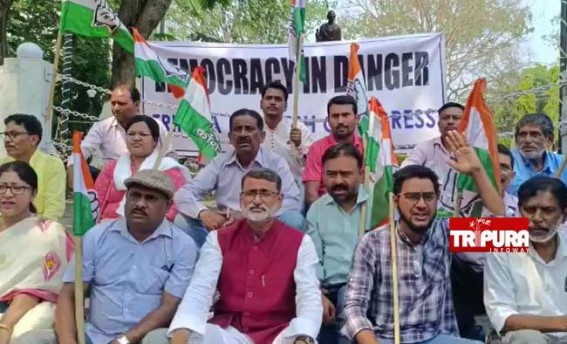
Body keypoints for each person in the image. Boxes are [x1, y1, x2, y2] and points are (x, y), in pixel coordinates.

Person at [342, 131, 504, 344]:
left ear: (438, 200)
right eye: (411, 197)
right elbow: (353, 307)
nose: (421, 205)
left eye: (428, 197)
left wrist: (477, 171)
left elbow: (504, 231)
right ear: (395, 200)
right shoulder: (372, 242)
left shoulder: (445, 231)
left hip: (438, 337)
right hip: (388, 338)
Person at [19, 169, 198, 344]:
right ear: (126, 198)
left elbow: (169, 306)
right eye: (135, 196)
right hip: (92, 336)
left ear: (167, 206)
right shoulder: (97, 236)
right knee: (32, 340)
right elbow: (70, 293)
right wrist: (68, 340)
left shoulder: (182, 246)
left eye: (151, 198)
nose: (140, 204)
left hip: (144, 337)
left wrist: (127, 339)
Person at [168, 168, 322, 344]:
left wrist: (303, 337)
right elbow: (200, 289)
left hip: (280, 332)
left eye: (265, 193)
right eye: (250, 193)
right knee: (192, 339)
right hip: (232, 332)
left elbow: (309, 295)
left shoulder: (301, 242)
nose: (257, 200)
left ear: (279, 201)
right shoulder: (218, 239)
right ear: (241, 200)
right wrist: (182, 333)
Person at [174, 109, 304, 247]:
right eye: (238, 129)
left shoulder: (276, 162)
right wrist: (203, 212)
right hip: (227, 226)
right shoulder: (220, 162)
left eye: (249, 129)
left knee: (293, 219)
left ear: (262, 136)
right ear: (230, 137)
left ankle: (282, 262)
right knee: (182, 220)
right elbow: (183, 193)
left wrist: (248, 215)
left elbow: (293, 201)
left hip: (264, 222)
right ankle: (200, 261)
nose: (243, 134)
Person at [450, 142, 520, 341]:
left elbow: (512, 240)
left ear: (513, 176)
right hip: (467, 281)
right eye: (490, 166)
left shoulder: (523, 207)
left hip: (507, 280)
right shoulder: (457, 204)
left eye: (504, 167)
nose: (496, 171)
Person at [484, 176, 567, 344]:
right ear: (519, 210)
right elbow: (503, 317)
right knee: (529, 339)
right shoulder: (502, 245)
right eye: (529, 210)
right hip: (523, 337)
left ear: (563, 215)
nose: (537, 218)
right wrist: (561, 323)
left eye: (547, 210)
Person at [0, 161, 71, 343]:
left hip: (24, 312)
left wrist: (5, 326)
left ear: (33, 193)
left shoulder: (47, 233)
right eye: (2, 187)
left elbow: (34, 288)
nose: (7, 194)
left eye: (17, 188)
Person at [305, 143, 366, 344]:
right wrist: (316, 292)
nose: (338, 181)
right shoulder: (317, 209)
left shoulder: (378, 205)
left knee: (347, 298)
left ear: (360, 174)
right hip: (327, 288)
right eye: (331, 174)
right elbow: (312, 259)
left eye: (346, 174)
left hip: (366, 287)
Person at [66, 84, 173, 185]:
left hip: (147, 182)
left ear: (136, 104)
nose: (116, 108)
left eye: (122, 103)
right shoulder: (102, 126)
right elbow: (83, 150)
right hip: (110, 181)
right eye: (113, 103)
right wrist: (72, 168)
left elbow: (170, 156)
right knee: (82, 169)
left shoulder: (156, 126)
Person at [94, 115, 191, 223]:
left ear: (154, 141)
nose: (136, 138)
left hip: (151, 229)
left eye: (143, 134)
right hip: (108, 226)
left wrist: (158, 224)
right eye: (131, 134)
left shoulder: (167, 168)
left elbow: (178, 203)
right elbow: (97, 200)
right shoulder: (112, 167)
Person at [401, 102, 464, 218]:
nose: (450, 121)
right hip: (430, 217)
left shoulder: (477, 152)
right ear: (439, 124)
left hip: (466, 219)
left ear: (466, 122)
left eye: (456, 118)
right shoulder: (425, 148)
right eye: (445, 118)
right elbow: (405, 169)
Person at [0, 114, 66, 222]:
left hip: (38, 228)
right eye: (6, 135)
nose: (7, 140)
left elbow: (54, 209)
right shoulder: (2, 164)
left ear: (33, 139)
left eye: (14, 134)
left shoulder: (52, 165)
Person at [303, 95, 363, 207]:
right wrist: (321, 217)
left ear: (357, 119)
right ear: (328, 120)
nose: (340, 121)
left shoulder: (367, 147)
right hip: (326, 210)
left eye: (345, 115)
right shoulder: (317, 149)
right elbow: (311, 194)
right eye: (335, 116)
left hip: (362, 211)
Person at [260, 81, 312, 190]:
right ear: (261, 103)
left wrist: (298, 145)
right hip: (260, 186)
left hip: (292, 186)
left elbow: (310, 164)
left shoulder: (298, 128)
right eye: (269, 98)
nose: (273, 102)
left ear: (285, 106)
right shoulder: (254, 128)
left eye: (278, 99)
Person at [507, 113, 567, 195]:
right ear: (517, 140)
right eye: (522, 135)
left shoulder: (563, 164)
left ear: (549, 140)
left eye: (534, 134)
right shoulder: (507, 162)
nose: (527, 140)